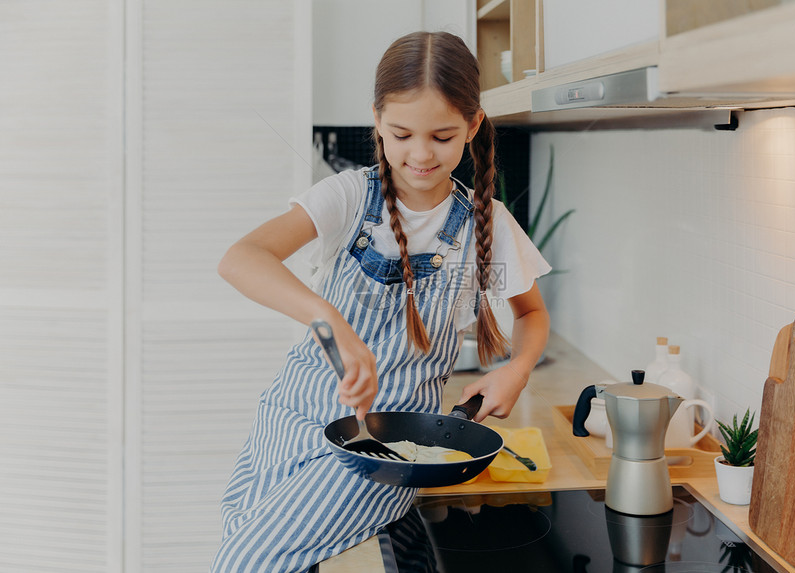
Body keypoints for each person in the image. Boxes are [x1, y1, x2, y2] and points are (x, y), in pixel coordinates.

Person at [210, 31, 551, 572]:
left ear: (473, 125)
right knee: (239, 544)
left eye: (441, 136)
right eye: (402, 133)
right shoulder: (346, 196)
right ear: (376, 121)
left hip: (383, 451)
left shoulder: (488, 224)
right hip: (292, 416)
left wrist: (519, 368)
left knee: (246, 562)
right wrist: (330, 323)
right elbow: (241, 258)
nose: (420, 154)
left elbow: (531, 313)